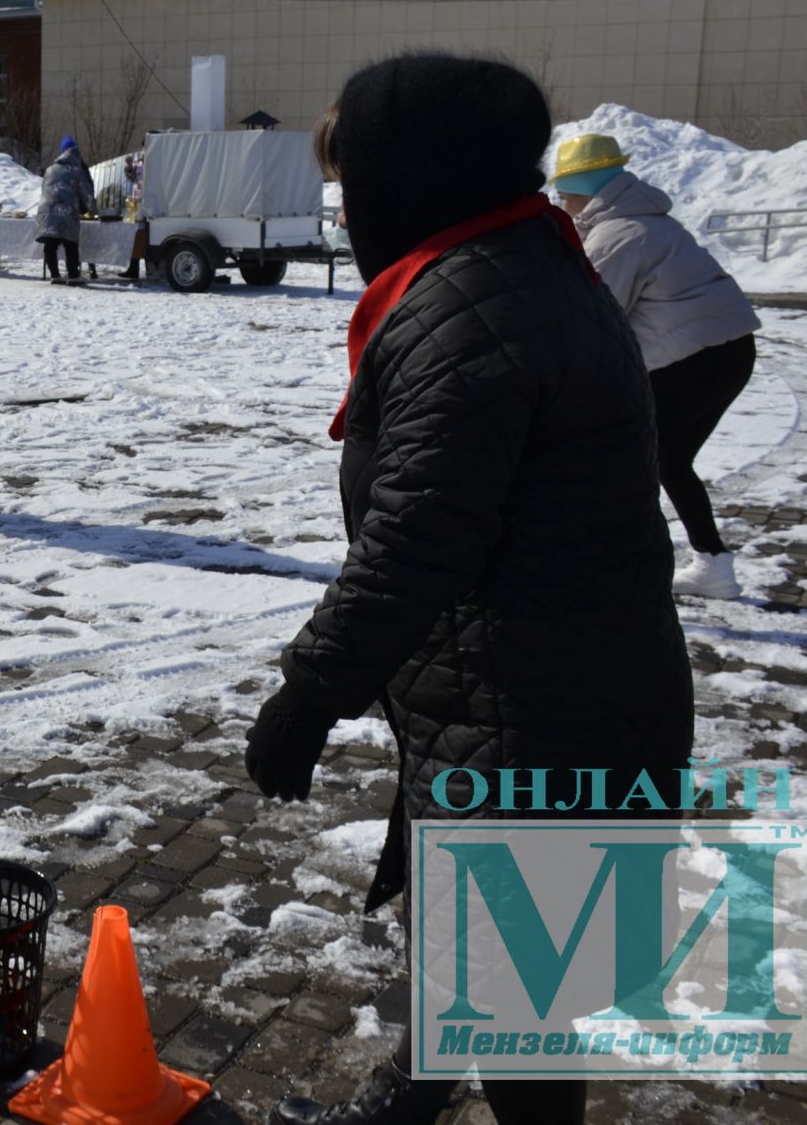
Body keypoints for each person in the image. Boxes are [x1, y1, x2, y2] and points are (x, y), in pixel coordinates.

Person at [245, 56, 692, 1125]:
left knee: (524, 1016)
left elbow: (418, 537)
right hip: (551, 683)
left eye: (355, 185)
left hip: (538, 705)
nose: (349, 214)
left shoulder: (471, 306)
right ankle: (409, 1094)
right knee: (478, 938)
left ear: (416, 180)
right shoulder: (522, 263)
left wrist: (307, 695)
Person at [552, 133, 761, 600]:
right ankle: (713, 566)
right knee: (669, 459)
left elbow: (597, 316)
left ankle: (619, 572)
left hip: (695, 360)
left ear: (586, 188)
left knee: (628, 462)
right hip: (727, 353)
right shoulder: (641, 219)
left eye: (564, 193)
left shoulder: (622, 233)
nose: (561, 203)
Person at [34, 135, 95, 283]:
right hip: (67, 211)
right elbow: (86, 193)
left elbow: (44, 189)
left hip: (47, 210)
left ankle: (55, 275)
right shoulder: (77, 170)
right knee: (70, 242)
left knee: (50, 243)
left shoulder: (49, 169)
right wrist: (93, 210)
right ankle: (74, 275)